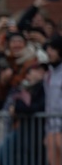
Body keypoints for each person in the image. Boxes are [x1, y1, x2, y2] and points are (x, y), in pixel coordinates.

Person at [44, 35, 62, 165]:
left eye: (53, 49)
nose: (49, 52)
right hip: (51, 128)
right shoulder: (48, 74)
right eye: (48, 49)